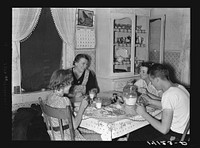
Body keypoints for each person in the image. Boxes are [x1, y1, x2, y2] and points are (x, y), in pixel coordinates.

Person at [128, 63, 190, 141]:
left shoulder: (169, 94)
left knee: (135, 136)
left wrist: (143, 113)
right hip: (186, 132)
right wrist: (150, 101)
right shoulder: (179, 87)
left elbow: (164, 130)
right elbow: (170, 106)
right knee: (139, 131)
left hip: (177, 136)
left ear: (157, 79)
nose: (152, 85)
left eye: (152, 81)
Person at [46, 69, 101, 140]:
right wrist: (82, 107)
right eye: (70, 83)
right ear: (64, 84)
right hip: (68, 137)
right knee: (101, 136)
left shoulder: (49, 97)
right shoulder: (64, 101)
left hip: (56, 136)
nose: (71, 85)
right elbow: (74, 125)